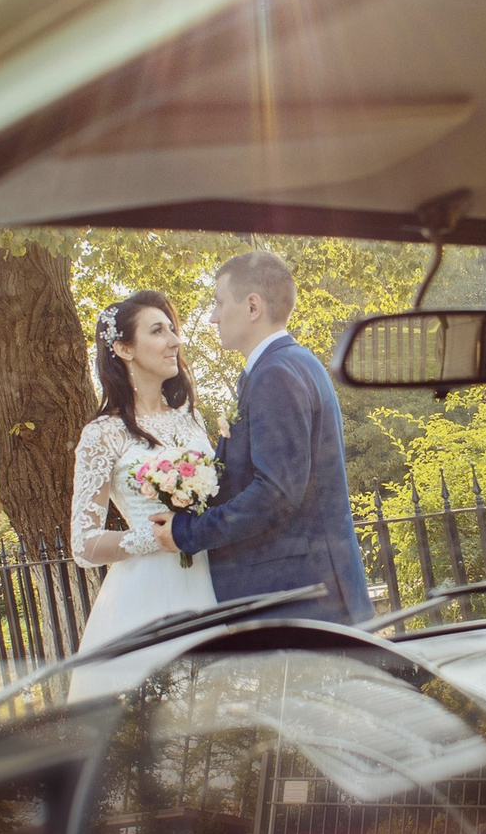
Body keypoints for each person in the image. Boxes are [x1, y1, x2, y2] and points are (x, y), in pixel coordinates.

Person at [153, 252, 375, 624]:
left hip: (300, 600)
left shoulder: (275, 374)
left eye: (219, 303)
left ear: (252, 306)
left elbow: (276, 493)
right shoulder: (292, 363)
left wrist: (189, 532)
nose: (213, 317)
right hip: (309, 593)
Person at [67, 290, 220, 650]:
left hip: (213, 582)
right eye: (157, 331)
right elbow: (84, 545)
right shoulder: (103, 433)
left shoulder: (192, 420)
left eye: (172, 329)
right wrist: (157, 536)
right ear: (124, 349)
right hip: (147, 594)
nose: (174, 341)